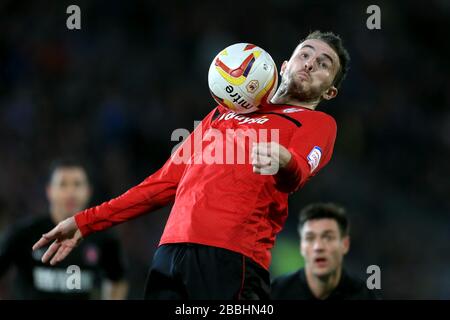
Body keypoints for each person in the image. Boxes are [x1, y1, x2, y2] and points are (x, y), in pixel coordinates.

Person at [32, 31, 350, 300]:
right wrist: (87, 221)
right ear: (283, 65)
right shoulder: (222, 113)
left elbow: (298, 172)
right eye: (305, 54)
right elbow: (163, 183)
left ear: (330, 91)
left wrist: (283, 159)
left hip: (231, 259)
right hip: (170, 254)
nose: (310, 63)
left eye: (324, 64)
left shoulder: (317, 123)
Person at [0, 159, 129, 299]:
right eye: (63, 184)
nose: (71, 192)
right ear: (49, 190)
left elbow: (117, 281)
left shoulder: (103, 238)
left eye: (77, 184)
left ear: (88, 191)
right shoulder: (24, 234)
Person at [271, 203, 379, 300]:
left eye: (328, 237)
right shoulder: (274, 293)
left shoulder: (365, 296)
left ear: (345, 245)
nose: (318, 247)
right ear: (301, 246)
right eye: (310, 238)